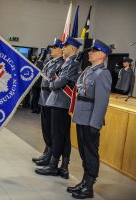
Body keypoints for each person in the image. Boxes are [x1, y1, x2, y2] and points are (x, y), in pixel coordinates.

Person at [68, 40, 112, 199]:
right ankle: (84, 181)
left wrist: (95, 123)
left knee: (91, 153)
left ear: (102, 55)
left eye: (93, 51)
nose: (89, 53)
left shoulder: (103, 73)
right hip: (82, 117)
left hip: (90, 120)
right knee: (83, 152)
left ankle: (89, 187)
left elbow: (101, 102)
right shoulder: (88, 70)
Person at [35, 35, 81, 179]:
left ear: (72, 48)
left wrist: (52, 85)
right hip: (57, 101)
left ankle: (55, 165)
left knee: (59, 135)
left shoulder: (72, 63)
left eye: (65, 46)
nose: (63, 48)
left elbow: (63, 80)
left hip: (61, 102)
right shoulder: (68, 62)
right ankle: (61, 165)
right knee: (59, 134)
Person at [32, 39, 64, 166]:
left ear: (61, 50)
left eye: (55, 47)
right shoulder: (50, 62)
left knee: (51, 128)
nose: (52, 49)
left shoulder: (61, 64)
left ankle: (50, 154)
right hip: (44, 96)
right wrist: (41, 58)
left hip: (51, 97)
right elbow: (37, 70)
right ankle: (46, 152)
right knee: (45, 127)